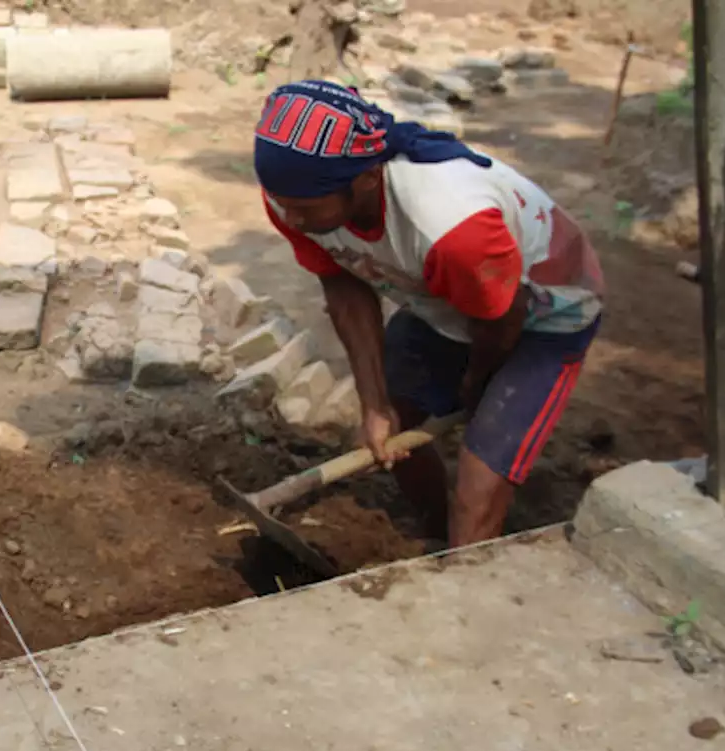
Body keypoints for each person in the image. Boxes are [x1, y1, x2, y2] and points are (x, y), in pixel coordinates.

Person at [255, 79, 605, 548]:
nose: (290, 220)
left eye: (305, 209)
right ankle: (437, 541)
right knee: (396, 424)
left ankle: (465, 579)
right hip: (447, 298)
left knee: (479, 482)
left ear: (366, 177)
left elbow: (502, 319)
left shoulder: (451, 224)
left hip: (543, 314)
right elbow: (342, 282)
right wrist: (375, 404)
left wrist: (477, 385)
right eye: (285, 206)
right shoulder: (293, 197)